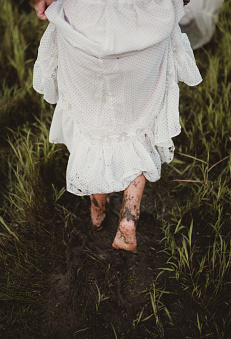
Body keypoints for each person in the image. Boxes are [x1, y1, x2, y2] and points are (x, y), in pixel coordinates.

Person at [31, 0, 202, 251]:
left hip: (85, 26)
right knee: (137, 123)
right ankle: (129, 218)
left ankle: (98, 210)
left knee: (92, 122)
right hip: (145, 28)